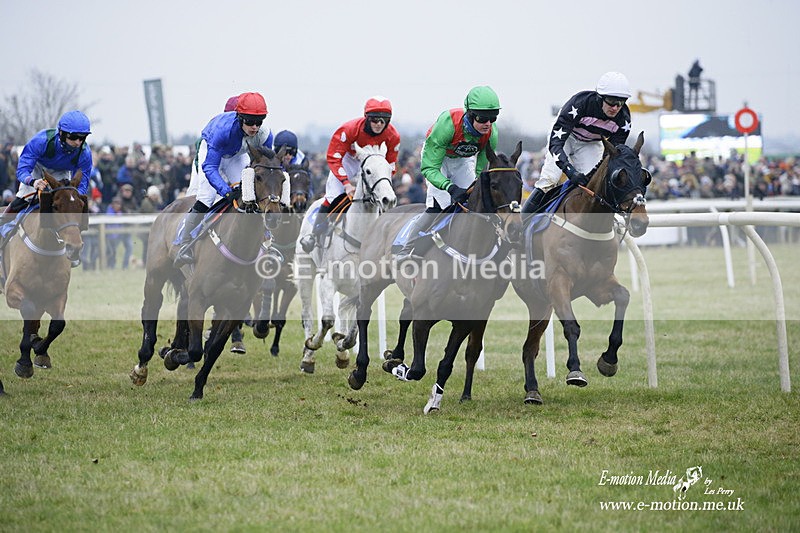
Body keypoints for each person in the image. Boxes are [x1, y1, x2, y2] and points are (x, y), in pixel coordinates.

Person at [174, 91, 286, 266]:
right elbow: (210, 167)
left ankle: (267, 241)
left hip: (236, 155)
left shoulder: (265, 135)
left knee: (250, 195)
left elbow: (266, 165)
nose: (254, 127)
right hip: (212, 154)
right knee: (207, 198)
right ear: (240, 118)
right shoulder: (223, 131)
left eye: (259, 122)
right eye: (250, 122)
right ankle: (184, 243)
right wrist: (226, 191)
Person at [394, 86, 500, 261]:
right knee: (439, 207)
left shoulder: (491, 134)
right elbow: (429, 168)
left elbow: (480, 170)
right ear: (470, 114)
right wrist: (450, 187)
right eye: (482, 118)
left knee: (474, 201)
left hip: (463, 160)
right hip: (438, 160)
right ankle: (406, 249)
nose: (488, 124)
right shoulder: (447, 124)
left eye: (493, 118)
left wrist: (474, 188)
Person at [299, 96, 401, 252]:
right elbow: (334, 156)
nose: (379, 124)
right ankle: (314, 234)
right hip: (350, 160)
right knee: (333, 194)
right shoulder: (349, 129)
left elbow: (391, 164)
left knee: (384, 197)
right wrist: (346, 183)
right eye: (375, 120)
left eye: (384, 120)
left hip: (375, 163)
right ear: (367, 118)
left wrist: (382, 185)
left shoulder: (393, 136)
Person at [521, 72, 632, 213]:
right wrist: (570, 171)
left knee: (595, 184)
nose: (615, 107)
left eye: (621, 102)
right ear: (600, 97)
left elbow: (611, 156)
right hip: (566, 137)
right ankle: (522, 222)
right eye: (611, 100)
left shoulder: (624, 120)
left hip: (591, 144)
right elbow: (556, 144)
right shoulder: (580, 103)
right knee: (550, 180)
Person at [1, 110, 93, 226]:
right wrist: (33, 181)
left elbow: (83, 183)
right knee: (22, 198)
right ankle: (3, 222)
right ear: (61, 133)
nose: (78, 142)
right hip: (37, 169)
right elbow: (22, 170)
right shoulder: (41, 141)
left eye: (82, 138)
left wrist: (73, 196)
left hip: (62, 173)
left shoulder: (85, 153)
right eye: (74, 137)